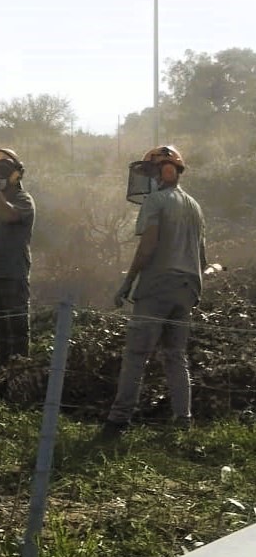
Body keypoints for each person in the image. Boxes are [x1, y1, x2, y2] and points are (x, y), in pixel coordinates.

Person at [104, 145, 206, 433]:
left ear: (168, 170)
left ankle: (118, 420)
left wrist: (128, 281)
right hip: (187, 289)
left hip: (158, 285)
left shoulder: (157, 201)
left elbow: (147, 246)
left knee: (137, 354)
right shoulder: (196, 207)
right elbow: (202, 256)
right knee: (175, 355)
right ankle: (183, 421)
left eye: (152, 171)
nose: (150, 178)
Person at [0, 148, 36, 368]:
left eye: (4, 171)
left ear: (15, 175)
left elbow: (10, 215)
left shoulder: (24, 200)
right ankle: (1, 369)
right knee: (1, 327)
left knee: (18, 330)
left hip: (13, 275)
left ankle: (19, 374)